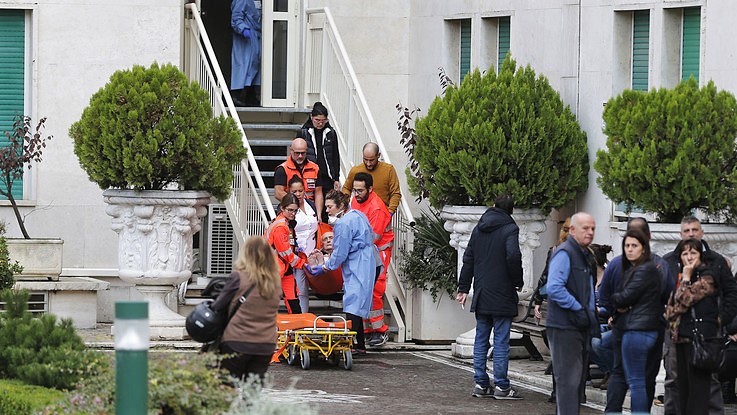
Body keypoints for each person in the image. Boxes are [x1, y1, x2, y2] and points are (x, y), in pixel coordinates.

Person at [597, 217, 673, 413]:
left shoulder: (618, 264)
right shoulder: (659, 265)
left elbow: (604, 296)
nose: (630, 248)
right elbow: (668, 295)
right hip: (650, 327)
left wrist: (614, 311)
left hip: (626, 327)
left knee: (620, 373)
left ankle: (613, 411)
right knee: (644, 378)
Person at [662, 216, 737, 414]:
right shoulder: (669, 261)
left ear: (702, 233)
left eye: (694, 230)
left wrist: (722, 319)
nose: (691, 234)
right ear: (680, 235)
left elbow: (731, 293)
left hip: (706, 333)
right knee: (674, 379)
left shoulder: (715, 263)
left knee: (708, 382)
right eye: (686, 231)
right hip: (676, 334)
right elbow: (668, 300)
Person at [456, 194, 523, 400]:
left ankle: (480, 384)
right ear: (511, 210)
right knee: (501, 341)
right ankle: (502, 386)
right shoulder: (510, 228)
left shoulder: (479, 228)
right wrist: (517, 280)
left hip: (482, 292)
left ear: (493, 206)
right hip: (503, 292)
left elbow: (468, 259)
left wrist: (463, 287)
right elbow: (513, 255)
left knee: (481, 339)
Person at [305, 190, 376, 355]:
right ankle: (359, 345)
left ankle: (354, 345)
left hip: (356, 264)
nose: (327, 210)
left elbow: (340, 253)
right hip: (367, 260)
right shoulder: (358, 215)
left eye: (330, 207)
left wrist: (325, 267)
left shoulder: (343, 224)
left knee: (352, 305)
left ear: (340, 206)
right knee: (357, 302)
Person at [546, 212, 598, 415]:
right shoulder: (565, 253)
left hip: (577, 325)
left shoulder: (583, 254)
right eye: (585, 228)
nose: (590, 232)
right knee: (568, 381)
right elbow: (554, 287)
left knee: (573, 383)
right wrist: (578, 308)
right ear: (573, 230)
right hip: (565, 326)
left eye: (593, 228)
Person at [608, 229, 663, 414]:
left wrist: (617, 300)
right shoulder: (637, 268)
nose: (630, 249)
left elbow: (624, 297)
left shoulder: (644, 269)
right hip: (639, 328)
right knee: (636, 380)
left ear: (643, 248)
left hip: (638, 330)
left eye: (634, 246)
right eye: (627, 246)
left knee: (636, 381)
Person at [212, 235, 281, 381]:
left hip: (237, 340)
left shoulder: (239, 277)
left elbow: (218, 306)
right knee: (253, 389)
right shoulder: (275, 282)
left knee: (228, 386)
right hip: (265, 344)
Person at [350, 172, 394, 347]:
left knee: (375, 288)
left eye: (360, 190)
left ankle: (379, 330)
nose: (356, 194)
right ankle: (368, 330)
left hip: (378, 249)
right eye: (354, 190)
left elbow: (373, 238)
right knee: (365, 289)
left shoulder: (377, 208)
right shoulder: (356, 201)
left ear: (370, 189)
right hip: (364, 248)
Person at [532, 217, 571, 403]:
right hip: (570, 308)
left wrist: (538, 301)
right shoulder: (584, 253)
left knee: (559, 352)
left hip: (558, 308)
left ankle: (558, 392)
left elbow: (545, 277)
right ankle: (570, 392)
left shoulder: (555, 251)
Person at [264, 194, 306, 314]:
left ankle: (296, 323)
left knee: (293, 300)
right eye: (290, 210)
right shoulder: (280, 226)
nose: (293, 213)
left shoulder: (286, 224)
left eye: (295, 211)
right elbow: (285, 253)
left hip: (283, 267)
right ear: (282, 208)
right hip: (273, 268)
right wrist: (303, 264)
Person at [342, 142, 402, 215]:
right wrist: (345, 205)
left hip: (381, 214)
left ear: (378, 155)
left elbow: (395, 193)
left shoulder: (388, 170)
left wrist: (390, 212)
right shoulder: (355, 170)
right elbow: (346, 188)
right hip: (359, 214)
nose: (368, 163)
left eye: (371, 160)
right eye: (365, 159)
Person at [298, 102, 341, 199]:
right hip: (309, 175)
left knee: (328, 202)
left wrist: (336, 178)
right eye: (317, 120)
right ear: (311, 117)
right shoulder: (304, 132)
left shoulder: (331, 133)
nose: (320, 123)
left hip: (327, 177)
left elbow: (335, 156)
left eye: (323, 120)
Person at [288, 176, 318, 313]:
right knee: (301, 288)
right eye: (294, 191)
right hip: (297, 255)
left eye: (300, 191)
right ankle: (301, 316)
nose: (298, 194)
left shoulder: (311, 205)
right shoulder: (287, 209)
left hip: (312, 253)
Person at [274, 138, 323, 219]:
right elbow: (278, 193)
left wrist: (319, 215)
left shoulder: (315, 168)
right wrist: (295, 205)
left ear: (306, 151)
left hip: (310, 209)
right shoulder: (282, 169)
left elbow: (318, 193)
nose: (300, 156)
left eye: (303, 153)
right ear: (291, 151)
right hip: (291, 210)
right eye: (297, 153)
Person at [230, 0, 261, 107]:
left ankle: (250, 95)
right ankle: (237, 95)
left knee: (254, 66)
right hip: (245, 38)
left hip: (256, 36)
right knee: (243, 65)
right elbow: (236, 18)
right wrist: (243, 29)